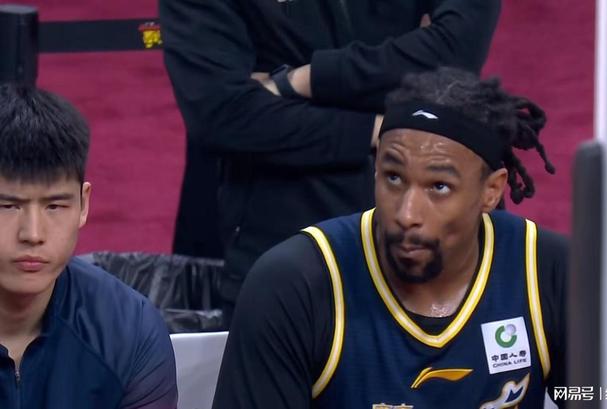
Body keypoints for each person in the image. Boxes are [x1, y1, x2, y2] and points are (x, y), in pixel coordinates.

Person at [212, 66, 567, 409]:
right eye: (393, 178)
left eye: (439, 186)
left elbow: (592, 394)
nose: (407, 214)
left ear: (491, 192)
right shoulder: (295, 285)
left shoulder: (547, 271)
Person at [160, 0, 502, 319]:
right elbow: (224, 113)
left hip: (443, 234)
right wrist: (378, 127)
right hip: (288, 238)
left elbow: (456, 50)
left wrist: (301, 80)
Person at [0, 84, 178, 409]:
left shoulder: (127, 331)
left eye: (55, 206)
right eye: (8, 206)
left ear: (83, 204)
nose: (33, 234)